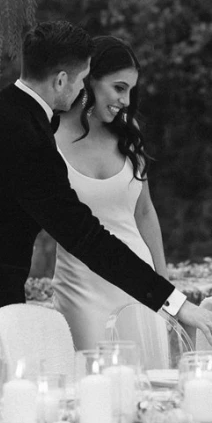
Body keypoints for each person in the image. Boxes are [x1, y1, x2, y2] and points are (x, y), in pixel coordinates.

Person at [0, 19, 211, 350]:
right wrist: (173, 302)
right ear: (61, 80)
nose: (82, 90)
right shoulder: (33, 141)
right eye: (81, 80)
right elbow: (85, 236)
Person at [52, 36, 171, 366]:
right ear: (90, 79)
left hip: (140, 289)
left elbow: (144, 212)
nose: (126, 100)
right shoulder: (48, 140)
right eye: (119, 88)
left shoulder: (127, 131)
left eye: (131, 90)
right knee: (92, 387)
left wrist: (164, 287)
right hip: (81, 294)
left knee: (152, 386)